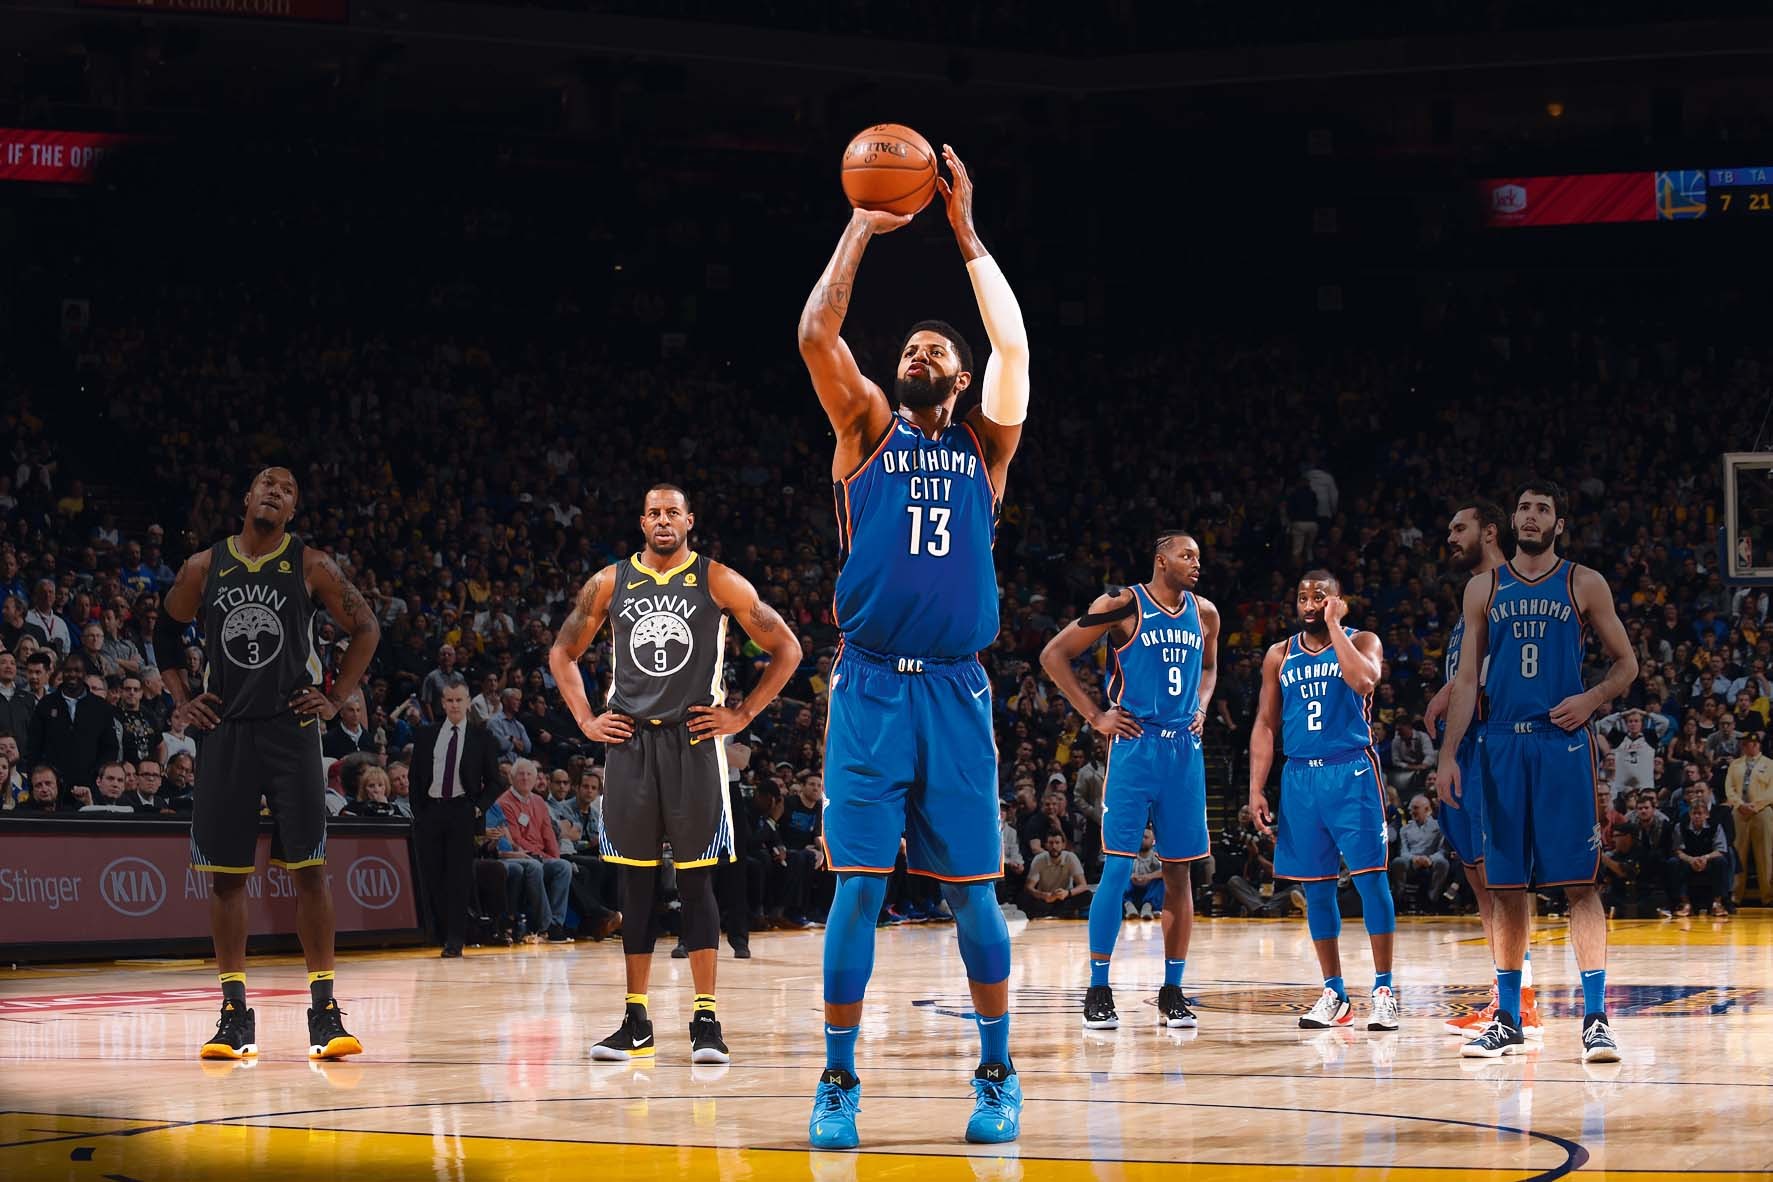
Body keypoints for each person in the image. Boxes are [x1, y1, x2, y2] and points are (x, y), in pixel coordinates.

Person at [797, 144, 1029, 1148]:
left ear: (961, 378)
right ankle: (837, 1080)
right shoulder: (865, 429)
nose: (920, 354)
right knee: (856, 888)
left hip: (956, 690)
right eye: (912, 348)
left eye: (937, 350)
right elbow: (815, 332)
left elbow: (1014, 348)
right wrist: (862, 223)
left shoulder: (987, 446)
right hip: (869, 689)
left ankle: (997, 1072)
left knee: (975, 897)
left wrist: (966, 234)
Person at [550, 484, 801, 1068]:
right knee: (635, 886)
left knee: (695, 885)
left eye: (673, 512)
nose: (663, 520)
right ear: (642, 522)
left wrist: (742, 714)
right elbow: (563, 652)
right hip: (630, 744)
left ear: (690, 520)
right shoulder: (609, 582)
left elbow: (786, 648)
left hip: (693, 744)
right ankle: (636, 1021)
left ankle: (705, 1019)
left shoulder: (717, 579)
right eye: (654, 513)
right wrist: (586, 720)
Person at [157, 466, 381, 1062]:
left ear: (292, 510)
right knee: (227, 878)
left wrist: (336, 697)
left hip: (292, 729)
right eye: (267, 484)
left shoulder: (310, 564)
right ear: (247, 497)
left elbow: (366, 626)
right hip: (226, 729)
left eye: (287, 489)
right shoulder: (203, 566)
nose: (276, 492)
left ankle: (324, 1011)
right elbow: (164, 631)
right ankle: (234, 1015)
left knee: (310, 870)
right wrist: (183, 698)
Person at [1438, 480, 1637, 1062]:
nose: (1530, 516)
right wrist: (1449, 755)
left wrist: (1592, 698)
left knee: (1581, 886)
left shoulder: (1583, 582)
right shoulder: (1483, 587)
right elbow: (1467, 680)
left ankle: (1596, 1020)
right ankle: (1508, 1018)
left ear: (1558, 524)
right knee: (1504, 889)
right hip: (1499, 743)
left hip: (1561, 744)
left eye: (1542, 509)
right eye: (1523, 508)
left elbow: (1626, 663)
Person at [1040, 531, 1219, 1033]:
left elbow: (1209, 668)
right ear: (1161, 560)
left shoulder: (1206, 613)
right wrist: (1096, 716)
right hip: (1136, 746)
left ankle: (1172, 990)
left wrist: (1202, 706)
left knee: (1180, 874)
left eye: (1199, 557)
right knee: (1118, 869)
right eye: (1186, 555)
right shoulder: (1121, 604)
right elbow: (1053, 655)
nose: (1196, 563)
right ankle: (1098, 988)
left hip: (1184, 751)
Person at [1247, 570, 1399, 1032]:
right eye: (1303, 597)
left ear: (1338, 601)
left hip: (1351, 770)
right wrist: (1256, 787)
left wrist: (1334, 626)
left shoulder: (1362, 640)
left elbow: (1365, 681)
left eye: (1320, 597)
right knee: (1315, 888)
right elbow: (1266, 723)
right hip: (1300, 777)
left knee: (1371, 880)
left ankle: (1384, 990)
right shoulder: (1279, 654)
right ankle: (1335, 993)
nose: (1310, 603)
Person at [1423, 500, 1543, 1040]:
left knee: (1502, 879)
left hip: (1496, 743)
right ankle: (1506, 995)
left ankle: (1522, 1002)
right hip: (1467, 747)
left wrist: (1450, 692)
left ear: (1490, 532)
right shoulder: (1475, 593)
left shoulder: (1510, 588)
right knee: (1479, 879)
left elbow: (1500, 667)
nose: (1450, 537)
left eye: (1459, 528)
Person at [409, 682, 503, 956]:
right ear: (442, 703)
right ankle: (438, 932)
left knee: (458, 877)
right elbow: (415, 777)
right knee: (432, 875)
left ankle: (455, 939)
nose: (454, 705)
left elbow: (495, 782)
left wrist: (477, 809)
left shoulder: (481, 737)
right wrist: (420, 812)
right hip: (432, 811)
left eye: (459, 700)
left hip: (462, 811)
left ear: (468, 702)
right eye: (449, 700)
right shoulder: (426, 734)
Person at [1724, 730, 1773, 905]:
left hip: (1762, 811)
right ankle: (1735, 895)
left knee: (1765, 854)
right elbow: (1729, 788)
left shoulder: (1770, 764)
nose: (1743, 746)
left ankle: (1768, 896)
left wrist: (1756, 805)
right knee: (1738, 853)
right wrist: (1739, 804)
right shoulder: (1735, 764)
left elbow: (1771, 791)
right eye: (1742, 744)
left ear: (1756, 744)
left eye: (1746, 743)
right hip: (1739, 811)